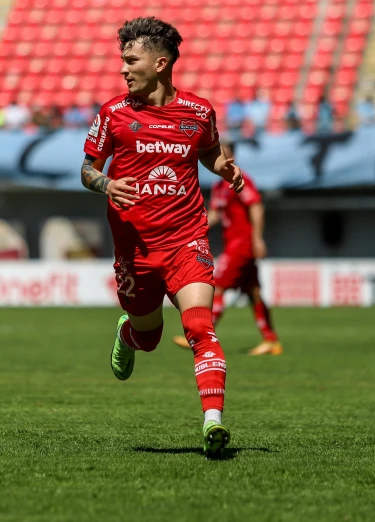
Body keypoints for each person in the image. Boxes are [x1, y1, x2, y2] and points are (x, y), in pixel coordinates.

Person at [80, 17, 245, 458]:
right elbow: (87, 169)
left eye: (130, 61)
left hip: (186, 238)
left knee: (199, 326)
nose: (123, 70)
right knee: (149, 336)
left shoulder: (198, 112)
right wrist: (105, 184)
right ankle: (129, 334)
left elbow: (208, 149)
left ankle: (213, 423)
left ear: (161, 63)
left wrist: (222, 165)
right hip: (135, 248)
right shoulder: (113, 114)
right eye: (122, 61)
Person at [173, 142, 282, 356]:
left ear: (230, 154)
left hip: (241, 245)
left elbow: (256, 206)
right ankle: (271, 340)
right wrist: (193, 226)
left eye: (220, 151)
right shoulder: (219, 186)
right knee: (254, 293)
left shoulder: (240, 179)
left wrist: (257, 238)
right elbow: (215, 213)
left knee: (218, 286)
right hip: (234, 243)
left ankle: (200, 337)